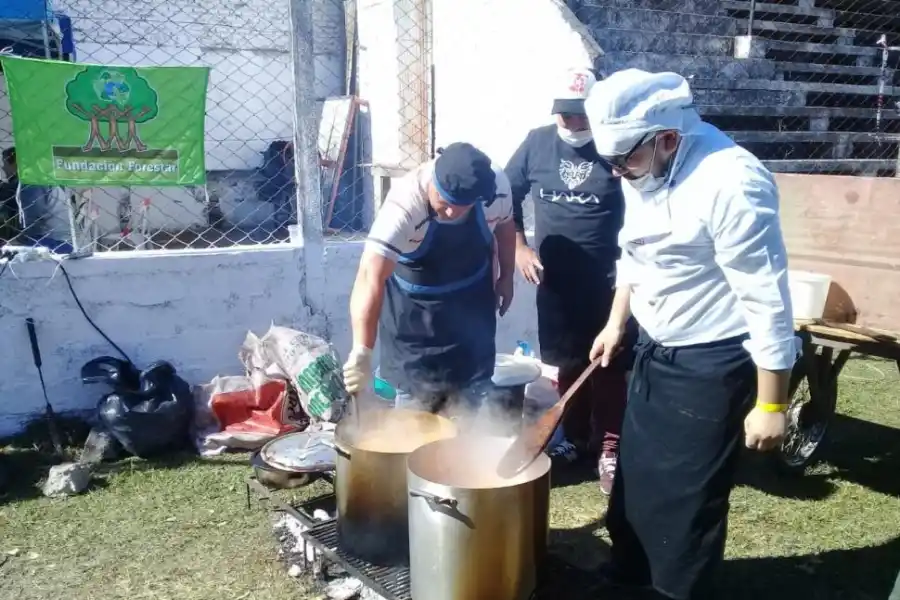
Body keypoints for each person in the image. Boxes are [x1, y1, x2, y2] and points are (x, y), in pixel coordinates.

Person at [583, 69, 798, 599]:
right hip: (655, 349)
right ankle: (629, 576)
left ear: (668, 138)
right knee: (636, 477)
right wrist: (616, 321)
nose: (617, 173)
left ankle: (675, 591)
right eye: (610, 162)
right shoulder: (642, 168)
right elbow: (634, 251)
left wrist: (772, 404)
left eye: (624, 161)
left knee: (685, 500)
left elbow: (768, 299)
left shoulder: (732, 182)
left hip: (711, 361)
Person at [504, 67, 629, 494]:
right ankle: (575, 439)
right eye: (565, 113)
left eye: (581, 114)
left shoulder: (614, 146)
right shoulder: (537, 144)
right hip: (555, 282)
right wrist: (519, 248)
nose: (573, 122)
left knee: (608, 364)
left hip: (608, 281)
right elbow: (506, 195)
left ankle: (609, 446)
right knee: (568, 364)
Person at [342, 142, 517, 420]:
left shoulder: (494, 188)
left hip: (471, 308)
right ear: (433, 181)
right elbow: (369, 276)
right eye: (445, 204)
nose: (452, 214)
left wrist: (506, 276)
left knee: (471, 402)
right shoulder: (403, 204)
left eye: (462, 207)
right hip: (414, 320)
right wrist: (362, 351)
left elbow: (506, 227)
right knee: (415, 417)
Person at [1, 147, 73, 253]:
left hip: (54, 242)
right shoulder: (37, 179)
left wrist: (20, 240)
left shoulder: (32, 184)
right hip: (57, 239)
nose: (3, 168)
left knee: (6, 247)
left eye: (5, 163)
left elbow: (32, 223)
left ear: (15, 164)